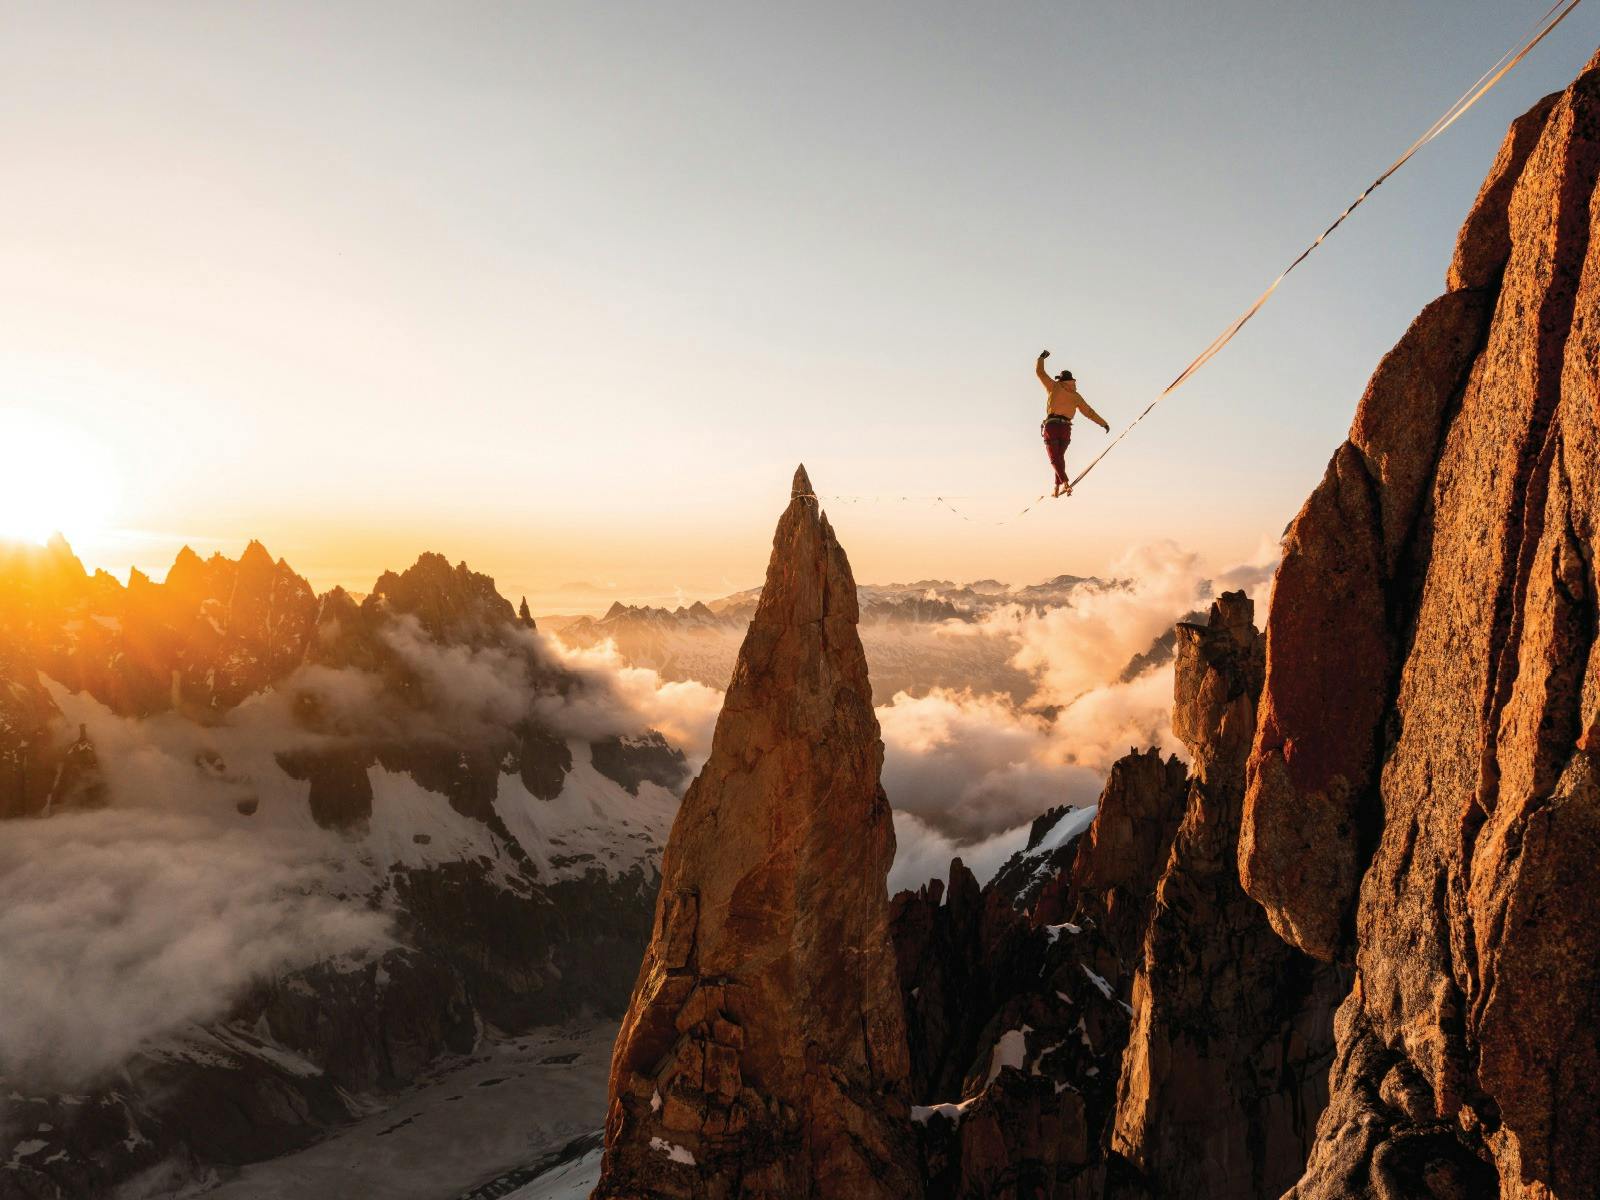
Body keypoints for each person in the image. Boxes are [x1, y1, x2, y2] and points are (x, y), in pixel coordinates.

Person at [1036, 350, 1108, 497]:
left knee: (1054, 459)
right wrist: (1103, 423)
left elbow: (1040, 372)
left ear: (1060, 380)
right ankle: (1056, 487)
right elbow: (1089, 412)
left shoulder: (1054, 386)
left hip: (1053, 426)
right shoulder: (1076, 396)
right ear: (1072, 381)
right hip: (1065, 429)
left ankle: (1065, 483)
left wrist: (1041, 358)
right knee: (1059, 458)